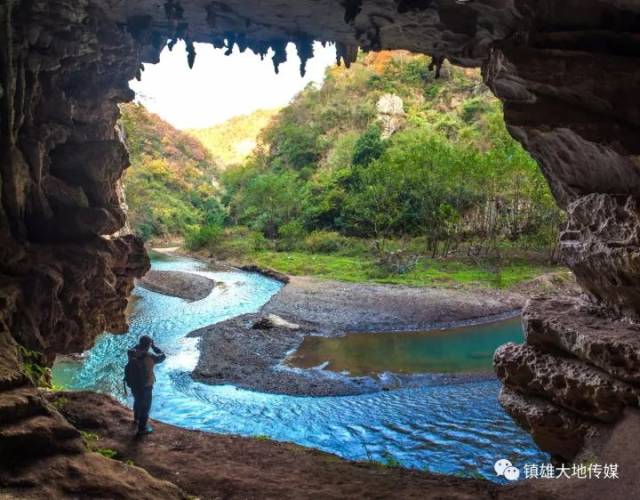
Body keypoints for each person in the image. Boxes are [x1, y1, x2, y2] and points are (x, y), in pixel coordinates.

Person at [125, 335, 166, 436]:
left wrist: (144, 344)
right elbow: (163, 356)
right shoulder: (150, 356)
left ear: (139, 343)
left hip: (133, 384)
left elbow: (135, 347)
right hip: (146, 385)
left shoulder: (131, 353)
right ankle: (142, 428)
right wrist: (154, 347)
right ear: (148, 345)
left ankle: (136, 419)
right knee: (145, 406)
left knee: (137, 401)